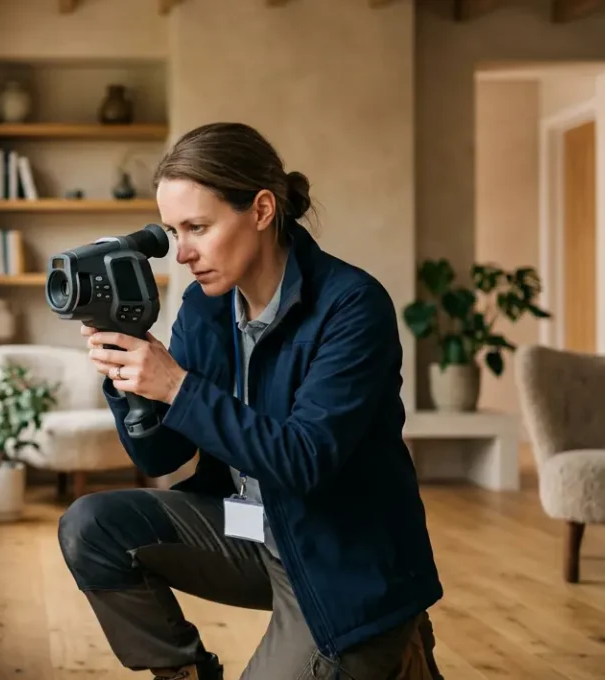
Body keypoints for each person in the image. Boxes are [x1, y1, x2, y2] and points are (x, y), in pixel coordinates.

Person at [57, 122, 444, 680]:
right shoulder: (207, 306)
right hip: (251, 531)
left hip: (343, 561)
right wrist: (128, 373)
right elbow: (160, 458)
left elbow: (304, 459)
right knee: (91, 527)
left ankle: (392, 639)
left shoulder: (353, 307)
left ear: (261, 211)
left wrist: (175, 385)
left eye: (198, 227)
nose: (182, 253)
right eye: (172, 230)